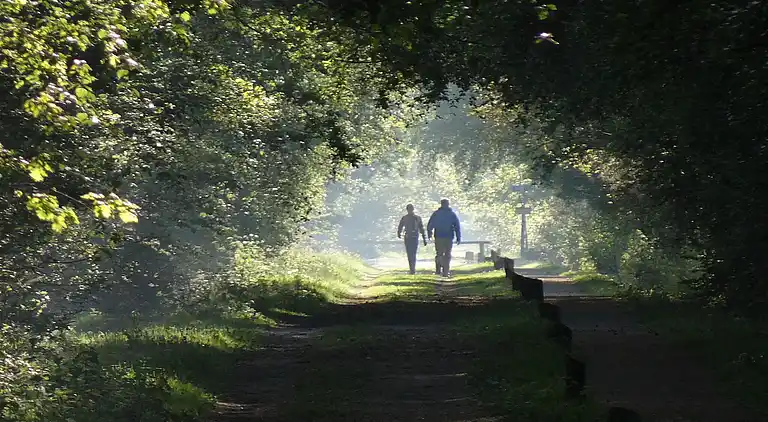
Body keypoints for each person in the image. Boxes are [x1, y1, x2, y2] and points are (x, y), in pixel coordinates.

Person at [427, 199, 461, 277]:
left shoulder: (436, 214)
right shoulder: (451, 214)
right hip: (448, 236)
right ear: (447, 204)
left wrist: (429, 233)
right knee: (447, 254)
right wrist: (458, 237)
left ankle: (439, 270)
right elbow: (457, 226)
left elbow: (430, 224)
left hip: (439, 236)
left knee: (440, 253)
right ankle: (445, 270)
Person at [397, 204, 427, 275]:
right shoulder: (416, 218)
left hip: (410, 237)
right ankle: (412, 268)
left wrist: (399, 233)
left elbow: (400, 227)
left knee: (411, 253)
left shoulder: (406, 218)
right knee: (411, 253)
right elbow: (421, 228)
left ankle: (412, 269)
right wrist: (424, 238)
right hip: (412, 237)